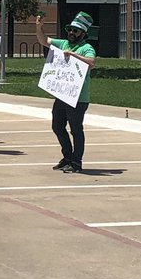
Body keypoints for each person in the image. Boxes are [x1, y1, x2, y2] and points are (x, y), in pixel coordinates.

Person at [35, 10, 96, 173]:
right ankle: (67, 156)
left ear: (83, 33)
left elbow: (91, 62)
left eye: (75, 31)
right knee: (57, 126)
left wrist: (74, 55)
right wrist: (39, 27)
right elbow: (44, 41)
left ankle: (76, 161)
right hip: (62, 95)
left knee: (76, 129)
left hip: (78, 98)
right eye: (70, 29)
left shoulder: (86, 47)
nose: (71, 33)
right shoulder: (62, 44)